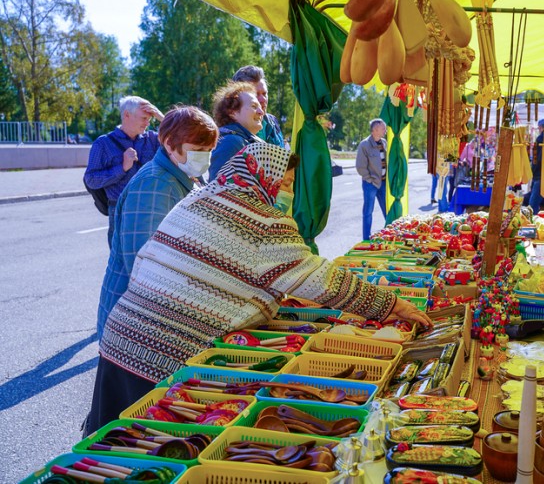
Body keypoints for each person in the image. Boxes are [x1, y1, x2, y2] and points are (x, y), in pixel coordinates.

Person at [84, 142, 431, 434]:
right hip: (167, 356)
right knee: (151, 449)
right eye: (286, 182)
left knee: (109, 444)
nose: (288, 193)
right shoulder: (263, 220)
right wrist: (390, 306)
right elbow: (321, 280)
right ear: (263, 178)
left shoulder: (199, 198)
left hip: (120, 339)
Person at [94, 106, 219, 340]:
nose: (205, 157)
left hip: (152, 320)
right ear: (170, 143)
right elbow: (144, 265)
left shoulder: (182, 176)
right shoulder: (154, 184)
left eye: (209, 150)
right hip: (133, 326)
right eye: (198, 149)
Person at [84, 96, 164, 246]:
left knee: (151, 261)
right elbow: (91, 179)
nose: (148, 123)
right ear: (127, 115)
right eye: (144, 118)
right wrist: (122, 168)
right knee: (120, 263)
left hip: (150, 208)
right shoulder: (103, 143)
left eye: (150, 119)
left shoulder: (152, 139)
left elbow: (180, 140)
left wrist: (162, 118)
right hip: (121, 210)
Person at [208, 81, 264, 179]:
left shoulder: (242, 141)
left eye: (260, 107)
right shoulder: (230, 143)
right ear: (232, 112)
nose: (261, 112)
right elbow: (218, 188)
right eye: (254, 106)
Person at [232, 65, 285, 148]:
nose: (263, 99)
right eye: (255, 94)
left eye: (264, 94)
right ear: (237, 99)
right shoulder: (229, 134)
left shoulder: (272, 123)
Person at [356, 119, 388, 241]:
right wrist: (370, 180)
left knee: (387, 211)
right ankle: (366, 239)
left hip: (383, 183)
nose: (385, 130)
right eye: (383, 128)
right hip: (371, 184)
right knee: (368, 212)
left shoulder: (384, 142)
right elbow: (360, 167)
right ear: (375, 130)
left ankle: (390, 234)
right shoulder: (364, 145)